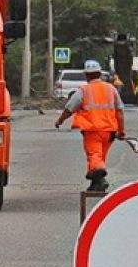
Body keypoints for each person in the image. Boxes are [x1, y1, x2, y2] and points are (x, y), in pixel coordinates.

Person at [54, 59, 127, 192]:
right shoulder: (111, 89)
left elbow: (70, 108)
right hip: (109, 132)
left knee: (94, 156)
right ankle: (95, 184)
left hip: (93, 131)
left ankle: (101, 180)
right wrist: (121, 131)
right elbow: (120, 112)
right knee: (99, 157)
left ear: (86, 75)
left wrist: (60, 120)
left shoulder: (84, 90)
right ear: (99, 73)